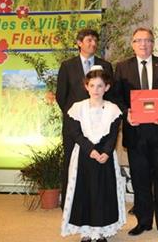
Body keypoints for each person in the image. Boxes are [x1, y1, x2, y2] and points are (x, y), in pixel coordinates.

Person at [114, 27, 158, 241]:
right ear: (132, 44)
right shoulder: (122, 68)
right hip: (136, 134)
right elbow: (116, 98)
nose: (143, 44)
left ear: (153, 43)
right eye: (138, 41)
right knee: (140, 181)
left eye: (148, 40)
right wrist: (126, 113)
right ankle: (143, 222)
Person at [61, 66, 125, 242]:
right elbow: (75, 133)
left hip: (105, 156)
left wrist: (105, 152)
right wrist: (91, 150)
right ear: (86, 86)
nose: (96, 90)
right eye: (92, 85)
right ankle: (87, 231)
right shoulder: (77, 108)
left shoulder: (113, 109)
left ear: (107, 87)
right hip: (84, 155)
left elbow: (113, 134)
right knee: (85, 192)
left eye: (100, 86)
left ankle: (102, 230)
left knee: (103, 191)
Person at [56, 29, 113, 208]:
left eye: (95, 40)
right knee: (72, 162)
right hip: (75, 125)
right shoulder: (67, 66)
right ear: (79, 43)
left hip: (100, 124)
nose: (93, 44)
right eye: (89, 40)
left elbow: (110, 95)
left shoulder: (106, 66)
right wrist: (76, 116)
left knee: (97, 163)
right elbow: (61, 96)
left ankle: (97, 204)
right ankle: (69, 203)